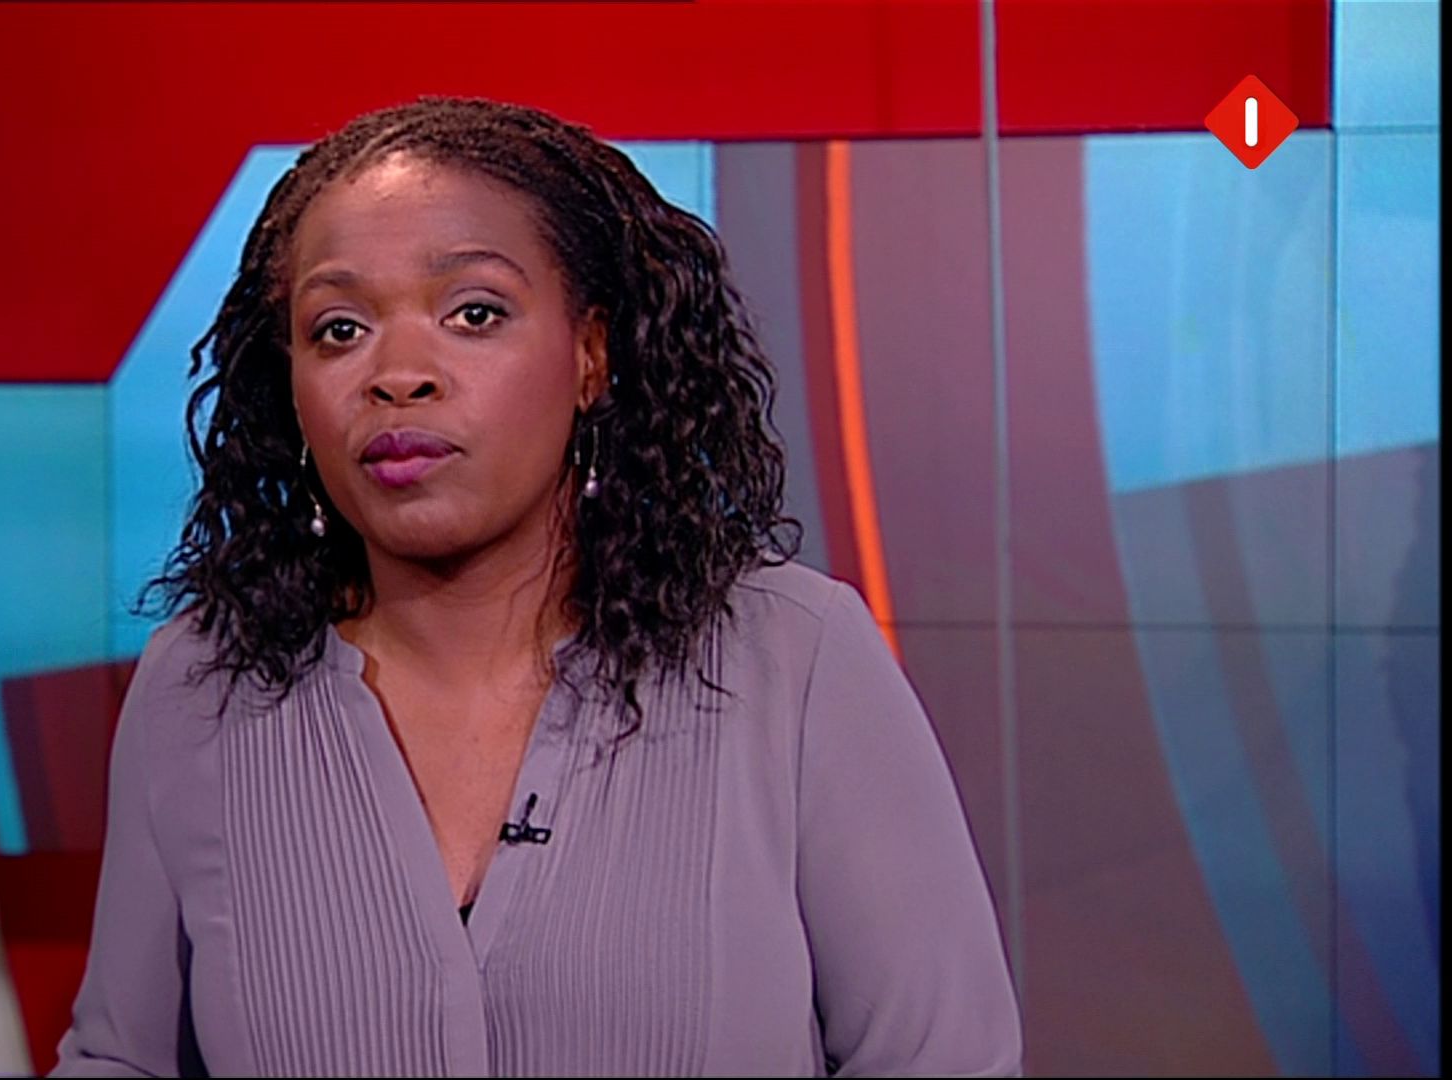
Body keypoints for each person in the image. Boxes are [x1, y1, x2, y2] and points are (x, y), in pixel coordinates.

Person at [52, 96, 1021, 1077]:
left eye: (474, 313)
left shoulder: (795, 661)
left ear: (590, 355)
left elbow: (944, 1061)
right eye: (339, 329)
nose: (398, 375)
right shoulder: (202, 690)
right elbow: (121, 1060)